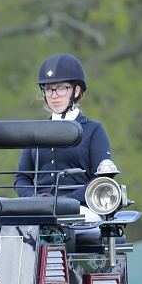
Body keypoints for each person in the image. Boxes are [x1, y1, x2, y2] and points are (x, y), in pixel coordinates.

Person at [14, 54, 112, 221]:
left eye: (61, 88)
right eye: (49, 89)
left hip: (80, 207)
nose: (54, 95)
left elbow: (101, 177)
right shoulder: (34, 132)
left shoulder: (94, 130)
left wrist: (67, 200)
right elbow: (21, 178)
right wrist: (33, 198)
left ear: (76, 90)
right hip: (39, 209)